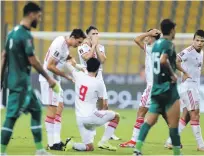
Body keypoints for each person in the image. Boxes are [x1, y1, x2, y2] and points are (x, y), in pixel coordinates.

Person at [0, 2, 60, 155]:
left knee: (36, 110)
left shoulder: (12, 33)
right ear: (32, 14)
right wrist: (49, 78)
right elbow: (33, 60)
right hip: (21, 85)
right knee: (11, 117)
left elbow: (3, 57)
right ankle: (1, 151)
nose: (39, 20)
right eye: (38, 16)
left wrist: (0, 80)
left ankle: (40, 150)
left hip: (16, 82)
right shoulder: (25, 35)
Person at [133, 19, 182, 156]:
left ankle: (137, 149)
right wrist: (173, 75)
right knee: (173, 123)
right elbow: (163, 61)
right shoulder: (168, 44)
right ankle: (177, 153)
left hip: (156, 88)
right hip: (168, 88)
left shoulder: (154, 46)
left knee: (149, 121)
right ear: (172, 30)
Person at [164, 30, 204, 152]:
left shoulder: (201, 52)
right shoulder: (188, 51)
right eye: (197, 40)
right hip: (189, 87)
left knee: (186, 116)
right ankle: (201, 144)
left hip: (193, 87)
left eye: (202, 41)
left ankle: (170, 141)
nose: (199, 43)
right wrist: (184, 72)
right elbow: (175, 60)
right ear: (193, 40)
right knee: (195, 114)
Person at [39, 29, 86, 150]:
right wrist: (67, 76)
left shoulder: (65, 45)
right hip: (48, 79)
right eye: (79, 42)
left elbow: (62, 56)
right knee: (52, 108)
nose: (79, 45)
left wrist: (72, 61)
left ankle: (57, 141)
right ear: (73, 37)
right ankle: (51, 143)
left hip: (55, 80)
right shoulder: (60, 44)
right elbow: (50, 65)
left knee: (59, 107)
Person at [64, 58, 120, 151]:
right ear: (98, 69)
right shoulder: (98, 83)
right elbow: (102, 103)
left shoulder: (78, 75)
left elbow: (68, 65)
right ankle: (104, 142)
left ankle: (72, 144)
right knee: (116, 116)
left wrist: (68, 58)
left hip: (79, 119)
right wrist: (102, 112)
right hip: (90, 117)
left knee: (89, 147)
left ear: (87, 66)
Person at [120, 29, 163, 147]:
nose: (146, 38)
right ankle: (174, 141)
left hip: (152, 86)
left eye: (148, 36)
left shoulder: (151, 48)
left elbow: (136, 39)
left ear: (153, 37)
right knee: (164, 114)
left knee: (141, 111)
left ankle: (133, 140)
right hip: (161, 85)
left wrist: (149, 33)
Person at [77, 25, 120, 140]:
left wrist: (96, 46)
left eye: (97, 33)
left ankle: (108, 132)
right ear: (88, 35)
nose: (96, 36)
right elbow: (87, 58)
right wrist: (94, 45)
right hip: (88, 76)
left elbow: (103, 60)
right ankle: (91, 130)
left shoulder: (100, 47)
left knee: (104, 104)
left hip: (99, 76)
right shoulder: (82, 46)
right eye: (93, 34)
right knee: (91, 104)